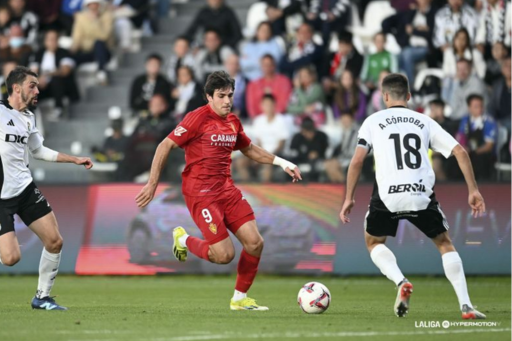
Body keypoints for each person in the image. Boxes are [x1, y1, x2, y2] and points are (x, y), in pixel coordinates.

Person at [135, 71, 301, 311]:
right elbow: (165, 145)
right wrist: (152, 183)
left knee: (255, 243)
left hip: (227, 191)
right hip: (201, 194)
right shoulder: (196, 119)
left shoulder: (233, 121)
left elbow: (249, 149)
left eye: (230, 95)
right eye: (221, 96)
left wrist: (282, 163)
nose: (227, 101)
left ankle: (240, 299)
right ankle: (182, 238)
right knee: (224, 256)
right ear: (208, 97)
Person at [339, 73, 486, 319]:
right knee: (444, 243)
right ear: (408, 96)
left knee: (374, 242)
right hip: (421, 194)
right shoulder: (424, 121)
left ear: (385, 96)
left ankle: (401, 281)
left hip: (388, 196)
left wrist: (349, 198)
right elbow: (460, 151)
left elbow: (356, 162)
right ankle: (466, 306)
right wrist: (473, 190)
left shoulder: (372, 121)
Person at [0, 66, 93, 310]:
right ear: (17, 88)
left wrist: (73, 159)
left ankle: (42, 297)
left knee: (54, 240)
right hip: (1, 197)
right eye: (33, 85)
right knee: (10, 258)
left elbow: (38, 151)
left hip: (25, 189)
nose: (38, 90)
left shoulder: (29, 117)